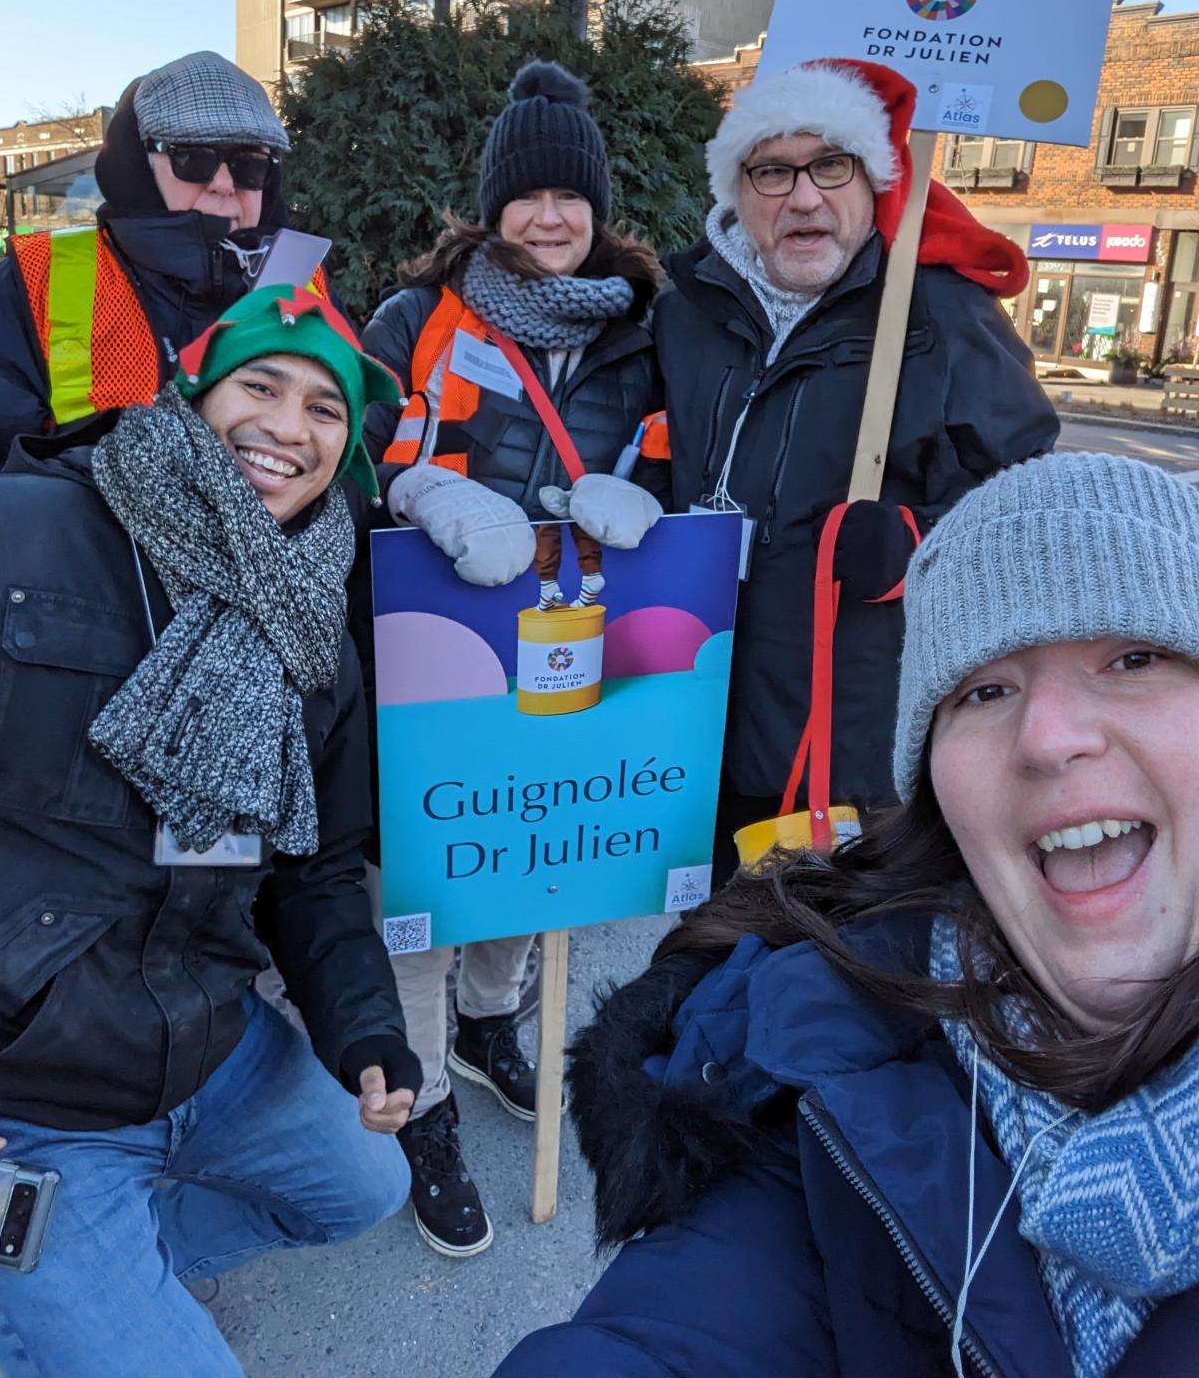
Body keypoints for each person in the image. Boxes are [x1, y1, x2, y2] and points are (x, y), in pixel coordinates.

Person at [495, 450, 1199, 1375]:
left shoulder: (959, 343)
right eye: (984, 689)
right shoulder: (825, 1066)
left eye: (1134, 656)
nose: (1049, 737)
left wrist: (902, 529)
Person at [0, 286, 420, 1377]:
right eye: (259, 385)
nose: (288, 426)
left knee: (369, 1185)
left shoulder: (315, 626)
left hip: (201, 1038)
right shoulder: (8, 528)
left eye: (325, 409)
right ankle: (47, 1284)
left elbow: (312, 872)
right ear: (190, 398)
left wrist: (365, 1034)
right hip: (18, 1087)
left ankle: (99, 1280)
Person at [361, 60, 664, 1258]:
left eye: (568, 198)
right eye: (526, 196)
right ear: (490, 208)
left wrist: (641, 497)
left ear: (597, 208)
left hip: (579, 639)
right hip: (438, 644)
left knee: (534, 852)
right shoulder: (415, 316)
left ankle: (495, 1026)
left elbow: (670, 455)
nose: (548, 217)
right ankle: (422, 1098)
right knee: (436, 876)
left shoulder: (641, 330)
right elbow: (363, 447)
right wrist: (425, 490)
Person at [655, 58, 1059, 886]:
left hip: (859, 751)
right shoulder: (685, 313)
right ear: (739, 190)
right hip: (700, 723)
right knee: (711, 973)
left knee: (837, 982)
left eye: (829, 165)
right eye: (772, 170)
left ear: (869, 180)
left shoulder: (941, 316)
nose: (802, 197)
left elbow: (1033, 509)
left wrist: (918, 540)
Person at [0, 49, 331, 475]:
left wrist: (399, 486)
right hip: (82, 538)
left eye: (250, 164)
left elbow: (344, 442)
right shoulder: (41, 276)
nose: (223, 183)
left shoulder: (307, 281)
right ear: (137, 166)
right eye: (193, 158)